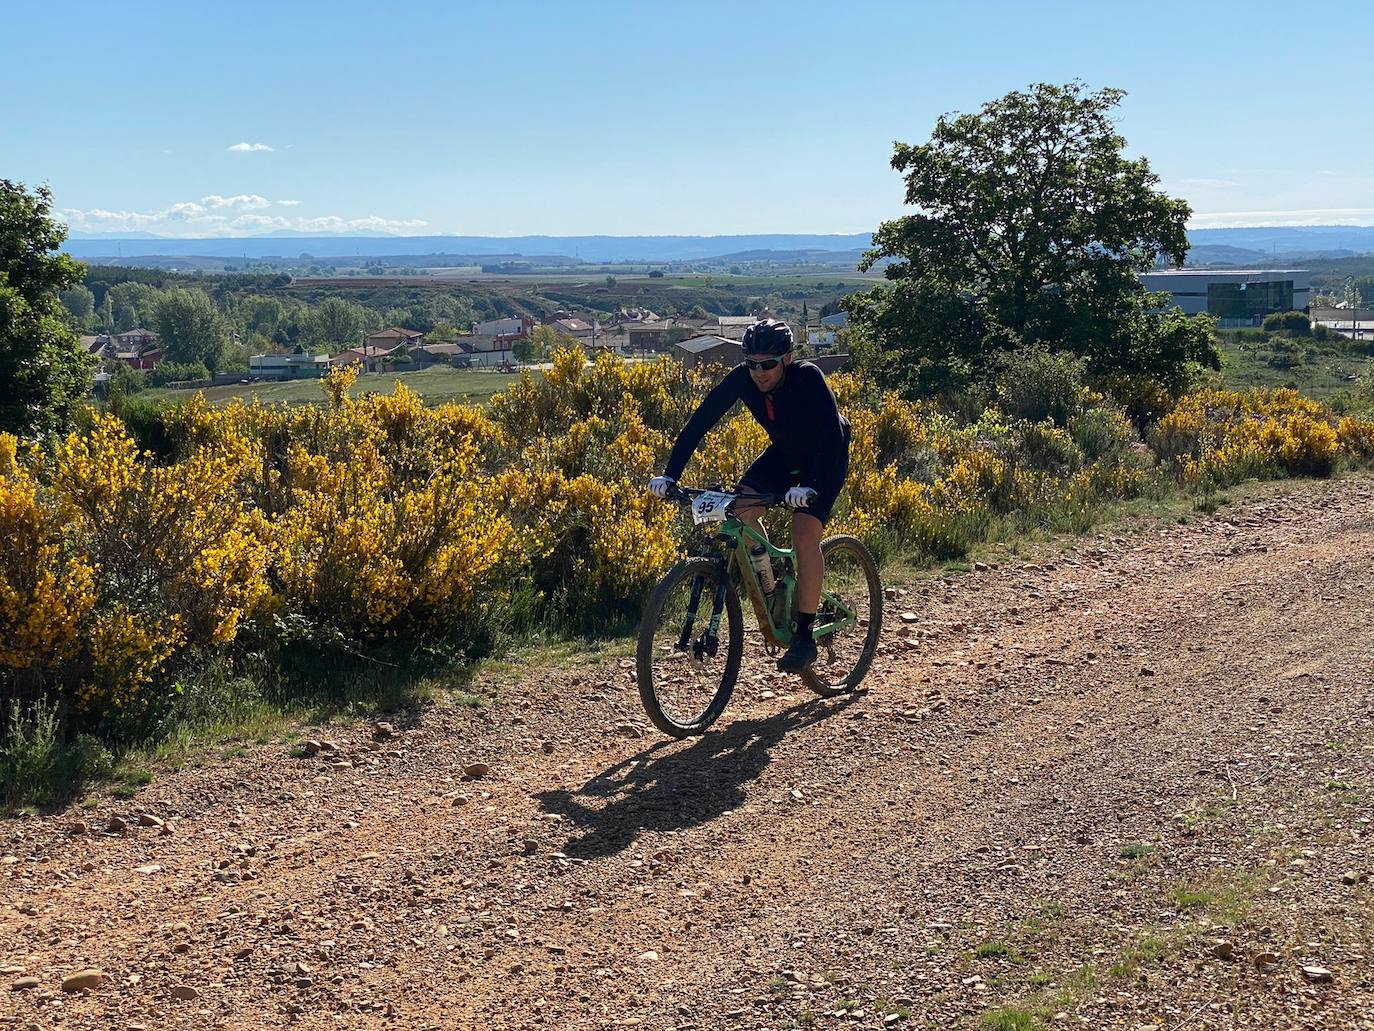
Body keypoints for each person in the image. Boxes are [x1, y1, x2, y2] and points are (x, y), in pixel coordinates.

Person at [648, 318, 850, 672]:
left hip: (824, 458)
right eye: (751, 363)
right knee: (740, 509)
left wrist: (811, 485)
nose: (759, 372)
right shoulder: (742, 379)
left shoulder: (808, 377)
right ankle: (772, 584)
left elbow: (832, 436)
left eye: (768, 364)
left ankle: (804, 636)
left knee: (804, 534)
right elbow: (699, 423)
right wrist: (670, 475)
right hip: (784, 454)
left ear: (786, 359)